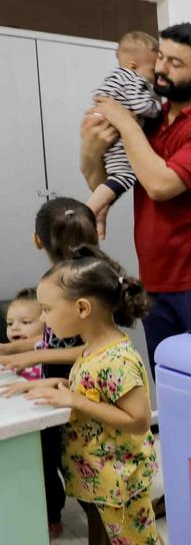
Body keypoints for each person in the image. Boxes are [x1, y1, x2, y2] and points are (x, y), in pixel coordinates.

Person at [80, 22, 191, 377]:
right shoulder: (152, 119)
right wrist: (92, 148)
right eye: (161, 58)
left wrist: (125, 124)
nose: (160, 69)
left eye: (175, 63)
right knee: (171, 381)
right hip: (156, 280)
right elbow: (102, 179)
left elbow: (159, 185)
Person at [2, 246, 159, 545]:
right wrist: (51, 387)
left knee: (138, 541)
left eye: (47, 310)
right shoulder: (92, 347)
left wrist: (76, 401)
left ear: (83, 308)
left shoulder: (118, 358)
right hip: (104, 477)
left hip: (121, 479)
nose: (45, 321)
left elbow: (138, 420)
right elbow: (93, 390)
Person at [0, 197, 98, 539]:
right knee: (65, 459)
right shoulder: (67, 278)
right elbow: (54, 340)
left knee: (88, 470)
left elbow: (91, 350)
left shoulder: (75, 284)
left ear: (37, 240)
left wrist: (35, 358)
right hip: (64, 392)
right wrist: (13, 349)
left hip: (84, 393)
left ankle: (100, 524)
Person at [85, 31, 162, 240]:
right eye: (152, 70)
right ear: (134, 65)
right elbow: (141, 105)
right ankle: (87, 211)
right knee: (124, 177)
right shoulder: (133, 79)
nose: (156, 76)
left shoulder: (115, 77)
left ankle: (100, 217)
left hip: (109, 134)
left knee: (112, 180)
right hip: (118, 138)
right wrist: (157, 106)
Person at [1, 289, 46, 380]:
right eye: (10, 323)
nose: (14, 328)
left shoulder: (50, 349)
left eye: (25, 322)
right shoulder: (6, 354)